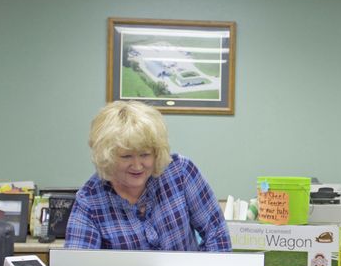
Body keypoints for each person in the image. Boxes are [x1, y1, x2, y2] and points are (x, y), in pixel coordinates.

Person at [65, 101, 231, 251]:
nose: (137, 166)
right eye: (126, 156)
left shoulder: (181, 172)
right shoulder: (89, 201)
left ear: (156, 152)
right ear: (107, 157)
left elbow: (216, 233)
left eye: (145, 155)